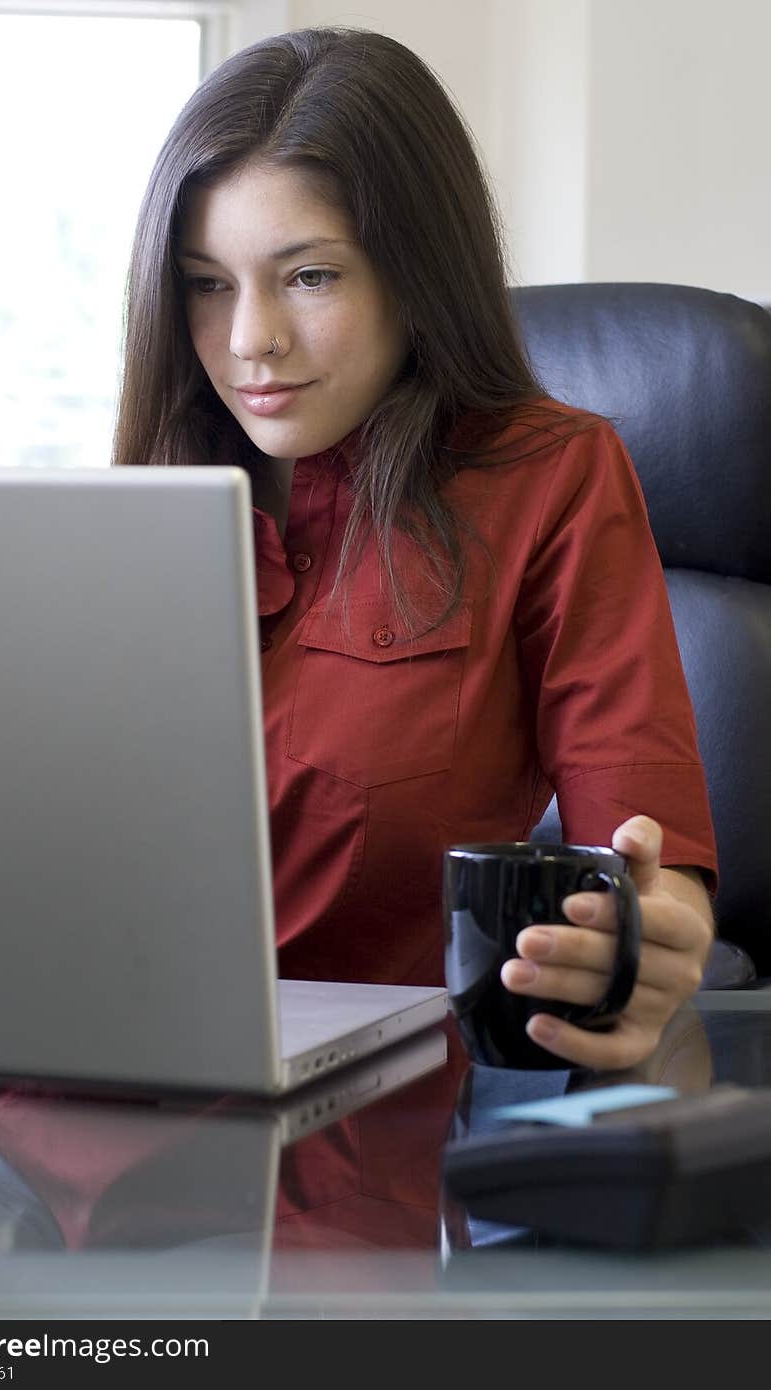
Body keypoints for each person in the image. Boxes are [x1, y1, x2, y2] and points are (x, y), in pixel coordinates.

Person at [112, 26, 717, 1072]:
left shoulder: (549, 478)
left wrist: (650, 940)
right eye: (207, 283)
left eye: (307, 276)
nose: (249, 337)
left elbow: (646, 863)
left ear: (416, 275)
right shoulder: (148, 490)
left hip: (371, 1119)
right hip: (77, 1077)